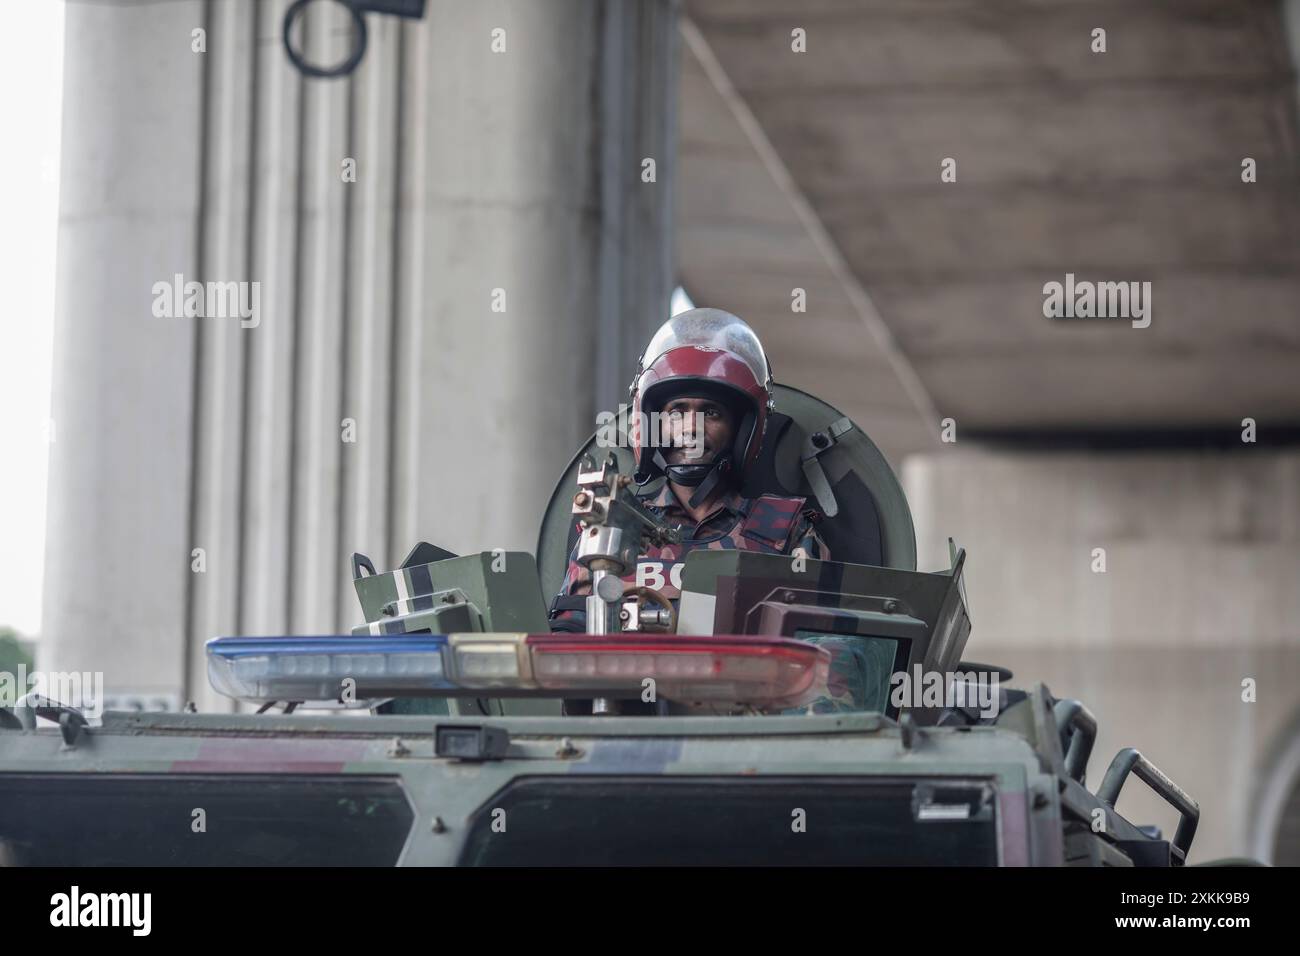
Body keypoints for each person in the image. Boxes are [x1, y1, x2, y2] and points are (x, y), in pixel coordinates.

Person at [548, 309, 866, 712]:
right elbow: (566, 646)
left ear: (742, 430)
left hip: (750, 744)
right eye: (677, 410)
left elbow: (826, 657)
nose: (691, 427)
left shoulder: (785, 529)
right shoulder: (611, 526)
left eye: (711, 412)